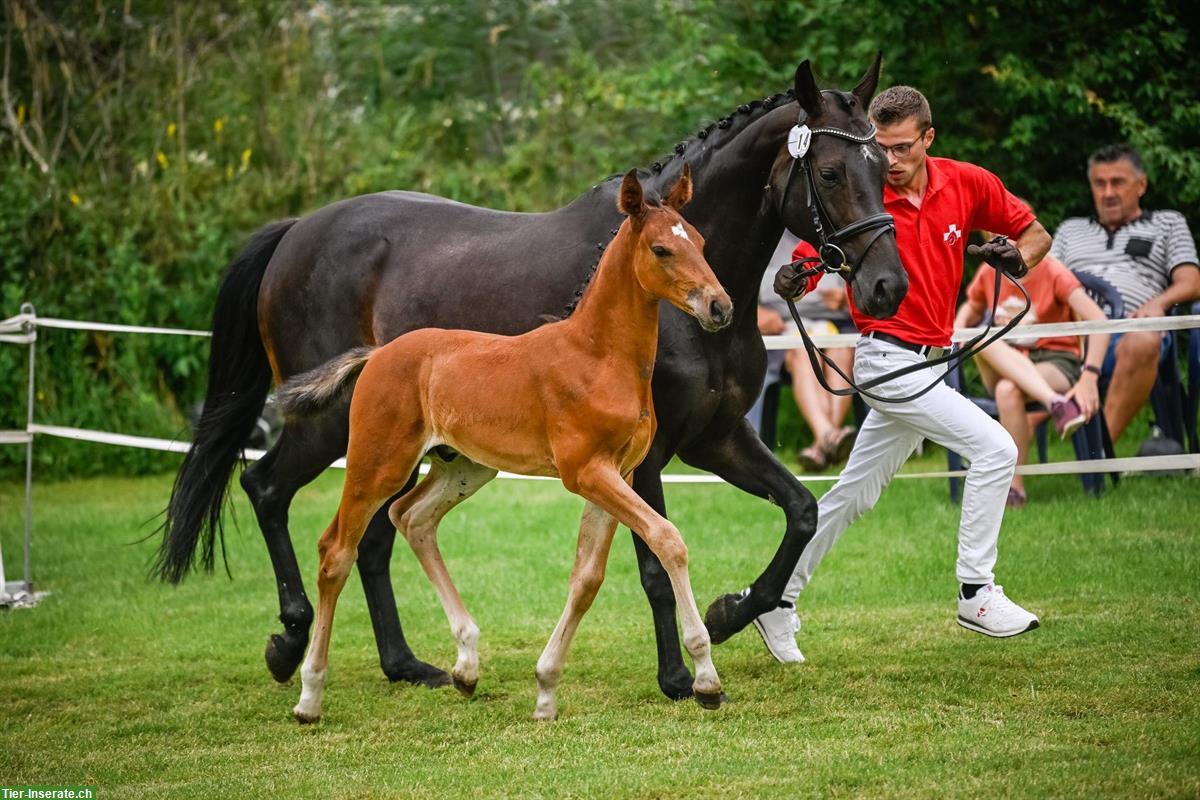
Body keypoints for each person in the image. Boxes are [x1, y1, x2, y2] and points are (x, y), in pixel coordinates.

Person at [752, 85, 1051, 664]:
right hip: (886, 359)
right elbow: (819, 259)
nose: (890, 160)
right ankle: (975, 591)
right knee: (996, 450)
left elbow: (1035, 233)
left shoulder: (967, 183)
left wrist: (1018, 257)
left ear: (928, 138)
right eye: (881, 147)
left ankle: (773, 599)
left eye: (902, 147)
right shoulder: (868, 189)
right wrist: (796, 278)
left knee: (851, 497)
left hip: (932, 363)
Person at [1050, 144, 1200, 444]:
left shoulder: (1168, 223)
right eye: (1099, 183)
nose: (1107, 193)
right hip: (1072, 333)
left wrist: (1158, 304)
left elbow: (1192, 282)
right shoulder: (1070, 230)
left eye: (1117, 182)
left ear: (1141, 185)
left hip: (1129, 330)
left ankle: (1099, 454)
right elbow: (1043, 281)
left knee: (1145, 336)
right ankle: (1008, 465)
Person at [954, 251, 1110, 507]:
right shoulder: (989, 272)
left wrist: (1090, 377)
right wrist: (957, 333)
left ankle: (1014, 488)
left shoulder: (1053, 271)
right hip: (1005, 360)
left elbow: (1099, 320)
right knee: (980, 338)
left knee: (1007, 391)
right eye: (994, 234)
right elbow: (972, 307)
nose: (1002, 240)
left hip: (1055, 361)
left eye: (1011, 232)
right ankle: (1056, 405)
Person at [754, 235, 857, 471]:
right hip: (783, 329)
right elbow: (742, 289)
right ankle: (829, 436)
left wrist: (845, 300)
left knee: (842, 348)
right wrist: (758, 313)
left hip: (835, 326)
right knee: (802, 351)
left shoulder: (833, 229)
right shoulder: (768, 234)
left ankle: (822, 444)